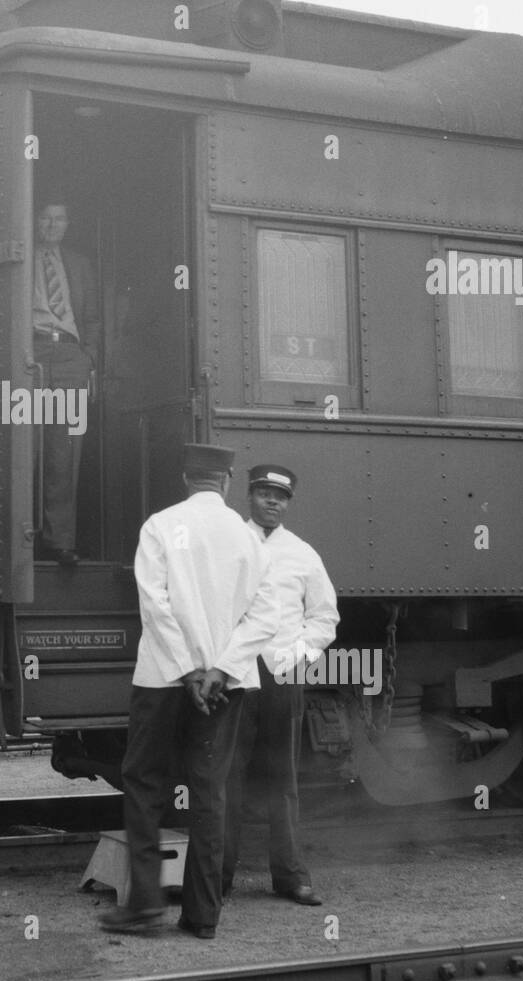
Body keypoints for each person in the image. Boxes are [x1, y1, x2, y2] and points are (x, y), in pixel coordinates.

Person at [100, 443, 279, 939]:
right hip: (226, 684)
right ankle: (203, 916)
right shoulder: (250, 540)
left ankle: (144, 906)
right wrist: (218, 671)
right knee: (210, 793)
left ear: (185, 478)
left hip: (162, 679)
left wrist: (186, 672)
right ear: (226, 481)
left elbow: (154, 606)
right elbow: (265, 615)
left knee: (144, 787)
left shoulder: (159, 526)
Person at [222, 464, 339, 907]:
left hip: (282, 674)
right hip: (236, 672)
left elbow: (325, 616)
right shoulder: (231, 544)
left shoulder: (303, 553)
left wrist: (301, 655)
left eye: (281, 496)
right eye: (265, 493)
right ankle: (218, 876)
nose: (272, 502)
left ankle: (290, 876)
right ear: (249, 496)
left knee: (282, 778)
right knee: (227, 777)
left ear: (289, 504)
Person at [32, 201, 99, 566]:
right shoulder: (23, 257)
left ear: (68, 224)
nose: (52, 225)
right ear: (34, 221)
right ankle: (21, 538)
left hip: (70, 357)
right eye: (45, 218)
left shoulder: (78, 263)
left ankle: (60, 543)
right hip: (32, 354)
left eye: (59, 219)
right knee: (26, 448)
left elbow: (91, 317)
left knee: (64, 451)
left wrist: (87, 356)